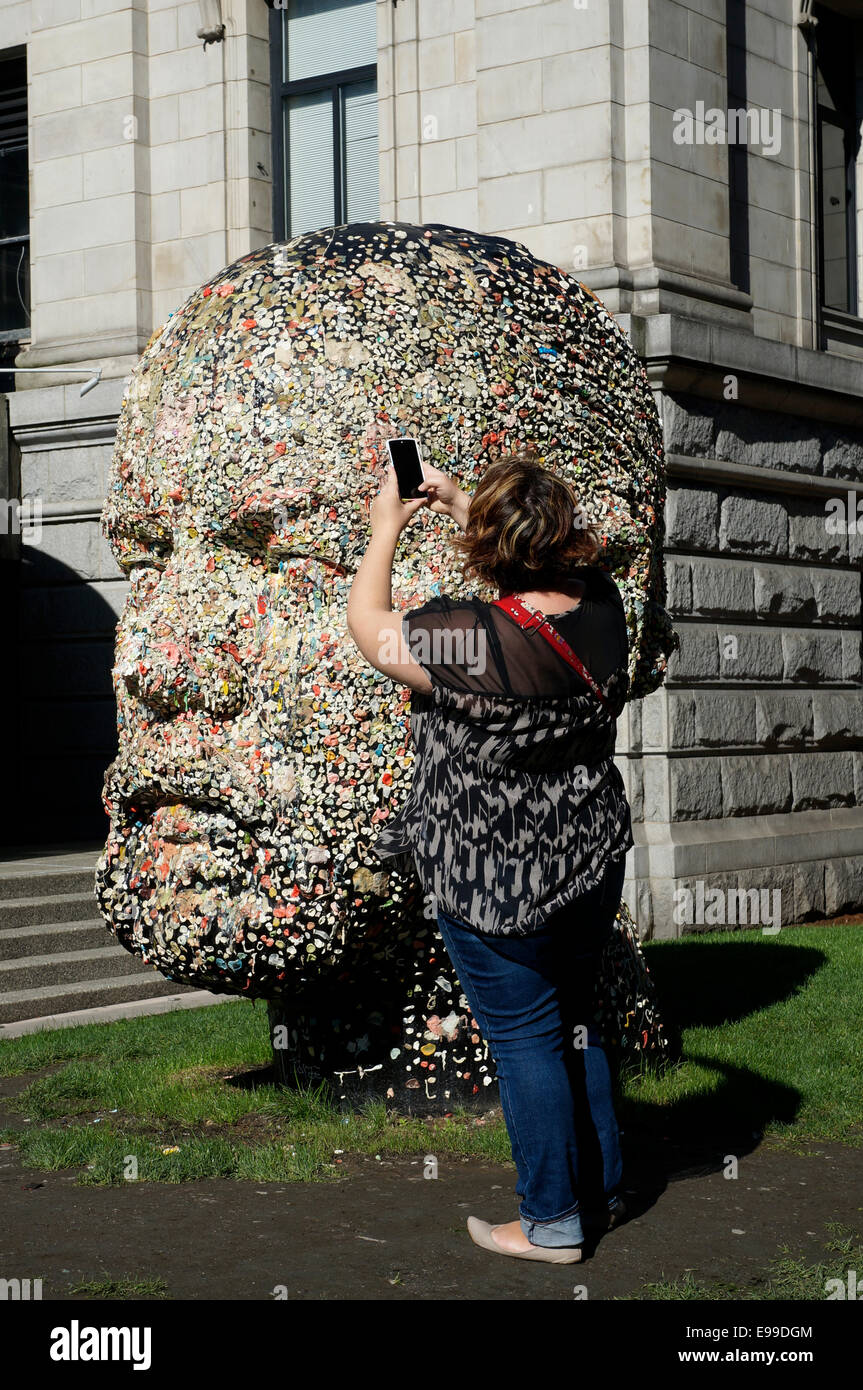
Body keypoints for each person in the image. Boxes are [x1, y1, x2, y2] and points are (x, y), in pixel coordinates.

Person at [346, 450, 633, 1265]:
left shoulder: (466, 637)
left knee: (524, 1041)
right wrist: (468, 502)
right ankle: (602, 1187)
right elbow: (568, 564)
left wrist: (384, 530)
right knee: (575, 1021)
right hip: (586, 855)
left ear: (490, 547)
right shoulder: (603, 607)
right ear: (562, 533)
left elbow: (370, 627)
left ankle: (550, 1224)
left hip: (490, 877)